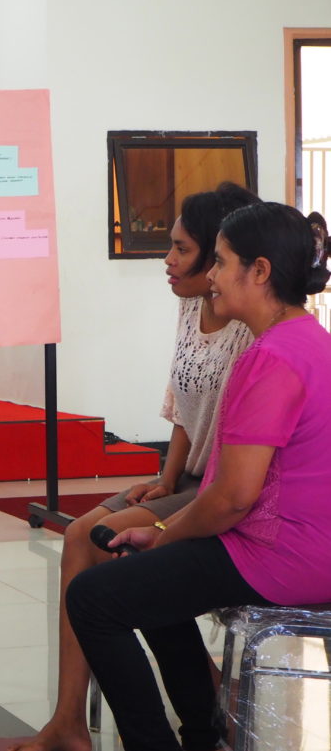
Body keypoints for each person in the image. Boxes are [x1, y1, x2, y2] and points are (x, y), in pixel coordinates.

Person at [67, 202, 331, 751]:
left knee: (93, 598)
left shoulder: (271, 358)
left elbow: (234, 497)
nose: (210, 275)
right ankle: (202, 732)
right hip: (304, 545)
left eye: (222, 261)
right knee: (145, 576)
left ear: (259, 271)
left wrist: (164, 533)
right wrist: (162, 537)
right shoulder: (312, 339)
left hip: (281, 556)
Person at [10, 182, 260, 751]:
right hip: (189, 476)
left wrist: (182, 491)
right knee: (79, 535)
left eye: (183, 249)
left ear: (221, 256)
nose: (167, 260)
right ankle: (68, 720)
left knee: (110, 550)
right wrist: (166, 478)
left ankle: (195, 703)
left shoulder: (250, 327)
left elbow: (240, 469)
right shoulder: (192, 306)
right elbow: (183, 401)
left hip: (222, 483)